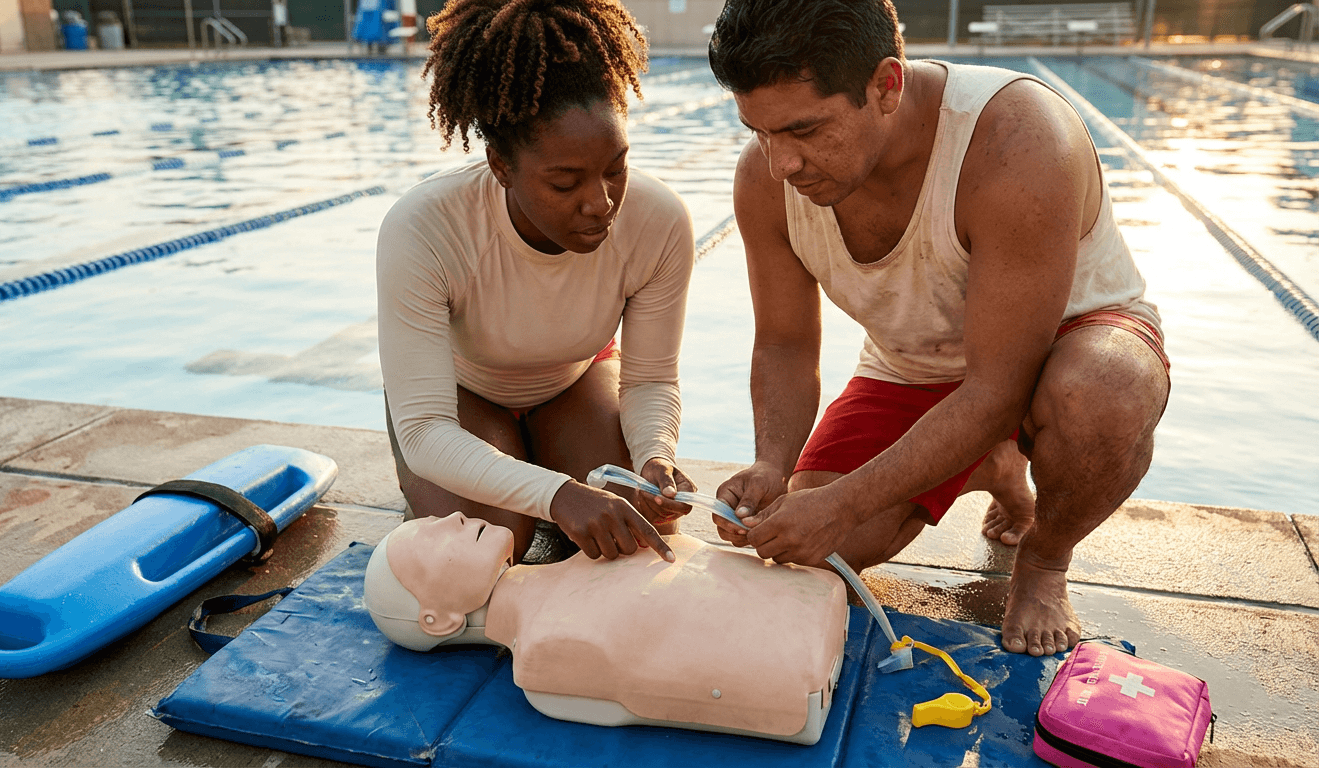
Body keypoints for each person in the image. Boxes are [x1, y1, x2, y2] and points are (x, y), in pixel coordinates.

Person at [707, 0, 1170, 657]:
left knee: (1102, 392)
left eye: (805, 130)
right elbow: (784, 342)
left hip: (1064, 346)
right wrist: (771, 464)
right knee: (811, 557)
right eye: (760, 131)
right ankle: (991, 464)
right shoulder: (765, 179)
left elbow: (995, 387)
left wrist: (842, 500)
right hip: (918, 365)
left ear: (886, 85)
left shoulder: (1015, 140)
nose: (782, 163)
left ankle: (1044, 560)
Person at [377, 0, 698, 566]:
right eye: (565, 182)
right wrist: (558, 494)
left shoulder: (658, 220)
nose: (600, 204)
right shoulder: (425, 228)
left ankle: (542, 456)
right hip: (460, 399)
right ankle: (503, 473)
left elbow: (649, 379)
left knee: (633, 527)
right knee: (484, 548)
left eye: (615, 168)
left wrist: (655, 458)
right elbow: (426, 429)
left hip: (572, 384)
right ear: (501, 165)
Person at [363, 512, 848, 743]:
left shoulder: (586, 563)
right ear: (438, 620)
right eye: (432, 538)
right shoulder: (547, 652)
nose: (453, 516)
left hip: (806, 613)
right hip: (796, 660)